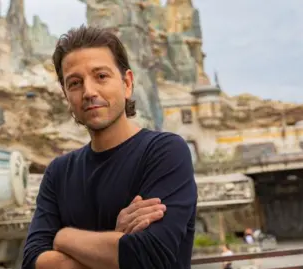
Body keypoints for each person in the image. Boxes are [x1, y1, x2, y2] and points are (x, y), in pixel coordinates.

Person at [22, 25, 197, 269]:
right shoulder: (58, 173)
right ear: (66, 94)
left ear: (127, 83)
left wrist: (63, 237)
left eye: (101, 76)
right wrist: (115, 244)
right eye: (75, 83)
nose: (89, 92)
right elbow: (32, 262)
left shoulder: (165, 152)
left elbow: (150, 257)